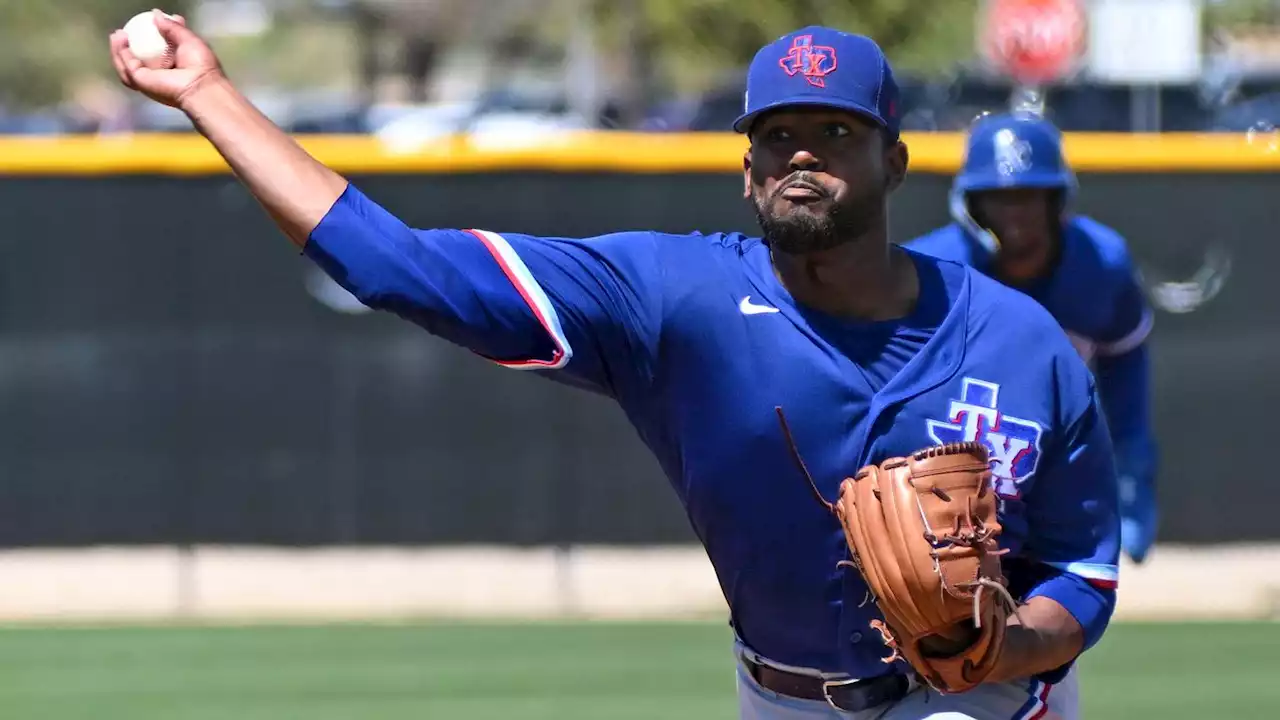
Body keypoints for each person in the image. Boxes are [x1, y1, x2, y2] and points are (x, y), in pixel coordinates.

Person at [109, 16, 1119, 719]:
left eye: (833, 132)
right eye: (775, 136)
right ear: (745, 167)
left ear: (892, 163)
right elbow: (394, 266)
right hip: (779, 696)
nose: (799, 155)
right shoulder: (667, 300)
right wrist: (206, 94)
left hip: (980, 704)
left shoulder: (1014, 340)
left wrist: (1003, 646)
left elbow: (1079, 571)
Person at [905, 112, 1159, 564]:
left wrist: (1132, 478)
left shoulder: (1101, 265)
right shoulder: (931, 270)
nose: (1015, 213)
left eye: (1030, 196)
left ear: (1058, 201)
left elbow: (1125, 363)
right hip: (951, 456)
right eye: (999, 198)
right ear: (971, 205)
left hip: (1047, 454)